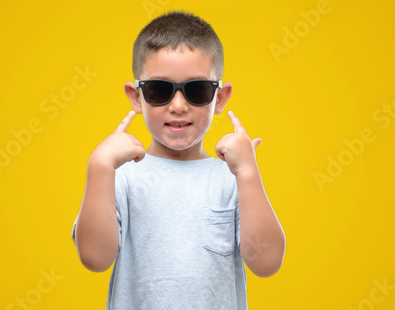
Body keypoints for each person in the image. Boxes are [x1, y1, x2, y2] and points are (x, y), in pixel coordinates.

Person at [71, 10, 286, 309]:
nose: (178, 106)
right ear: (136, 96)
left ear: (220, 98)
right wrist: (98, 167)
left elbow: (267, 263)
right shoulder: (119, 176)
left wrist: (248, 173)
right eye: (160, 90)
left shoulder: (233, 178)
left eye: (197, 90)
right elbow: (94, 258)